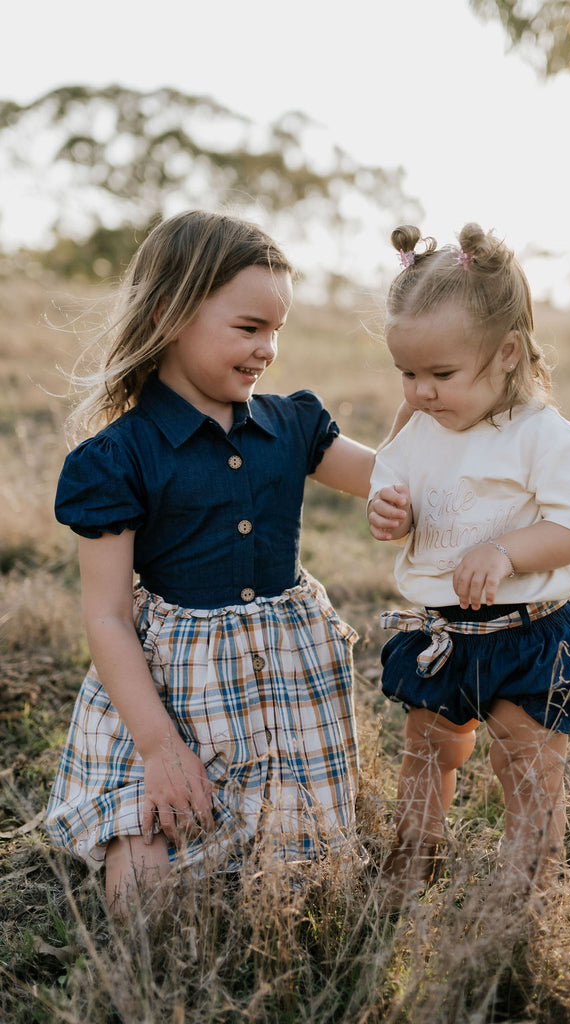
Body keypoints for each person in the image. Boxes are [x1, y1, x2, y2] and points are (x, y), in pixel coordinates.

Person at [45, 210, 379, 914]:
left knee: (305, 888)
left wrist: (426, 381)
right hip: (168, 690)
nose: (268, 350)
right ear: (169, 315)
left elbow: (394, 481)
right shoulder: (118, 456)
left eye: (277, 330)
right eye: (249, 328)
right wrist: (161, 749)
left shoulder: (292, 424)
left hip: (283, 682)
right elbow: (105, 616)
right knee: (146, 896)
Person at [367, 222, 570, 904]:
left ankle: (530, 882)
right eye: (407, 373)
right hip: (444, 634)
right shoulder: (418, 426)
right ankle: (413, 855)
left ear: (507, 352)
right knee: (426, 749)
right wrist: (393, 514)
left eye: (439, 374)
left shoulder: (544, 437)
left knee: (524, 756)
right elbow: (393, 483)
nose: (419, 391)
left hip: (528, 631)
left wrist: (504, 550)